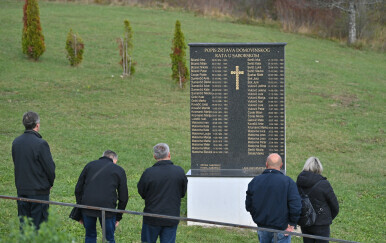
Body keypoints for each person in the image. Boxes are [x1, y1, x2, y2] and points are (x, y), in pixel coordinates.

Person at [12, 111, 56, 229]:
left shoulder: (16, 142)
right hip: (38, 192)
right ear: (37, 125)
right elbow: (49, 168)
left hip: (22, 190)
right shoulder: (40, 144)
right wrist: (50, 183)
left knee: (25, 228)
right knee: (38, 228)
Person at [246, 153, 302, 243]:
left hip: (262, 226)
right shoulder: (288, 182)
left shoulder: (255, 181)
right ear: (281, 165)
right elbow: (296, 206)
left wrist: (258, 219)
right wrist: (291, 223)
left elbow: (248, 205)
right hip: (282, 228)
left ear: (266, 164)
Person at [137, 143, 188, 243]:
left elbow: (141, 191)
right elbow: (182, 193)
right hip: (171, 216)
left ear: (154, 156)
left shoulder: (149, 172)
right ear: (169, 154)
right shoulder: (179, 171)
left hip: (152, 216)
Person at [75, 150, 128, 243]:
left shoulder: (90, 165)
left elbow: (78, 189)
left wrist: (80, 207)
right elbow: (123, 196)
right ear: (114, 160)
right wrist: (118, 216)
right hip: (108, 208)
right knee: (109, 238)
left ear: (103, 156)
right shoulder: (119, 170)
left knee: (90, 235)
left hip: (88, 206)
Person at [296, 157, 339, 243]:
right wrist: (326, 218)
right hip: (321, 224)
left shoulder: (299, 182)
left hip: (305, 222)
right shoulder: (324, 184)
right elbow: (335, 206)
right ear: (319, 168)